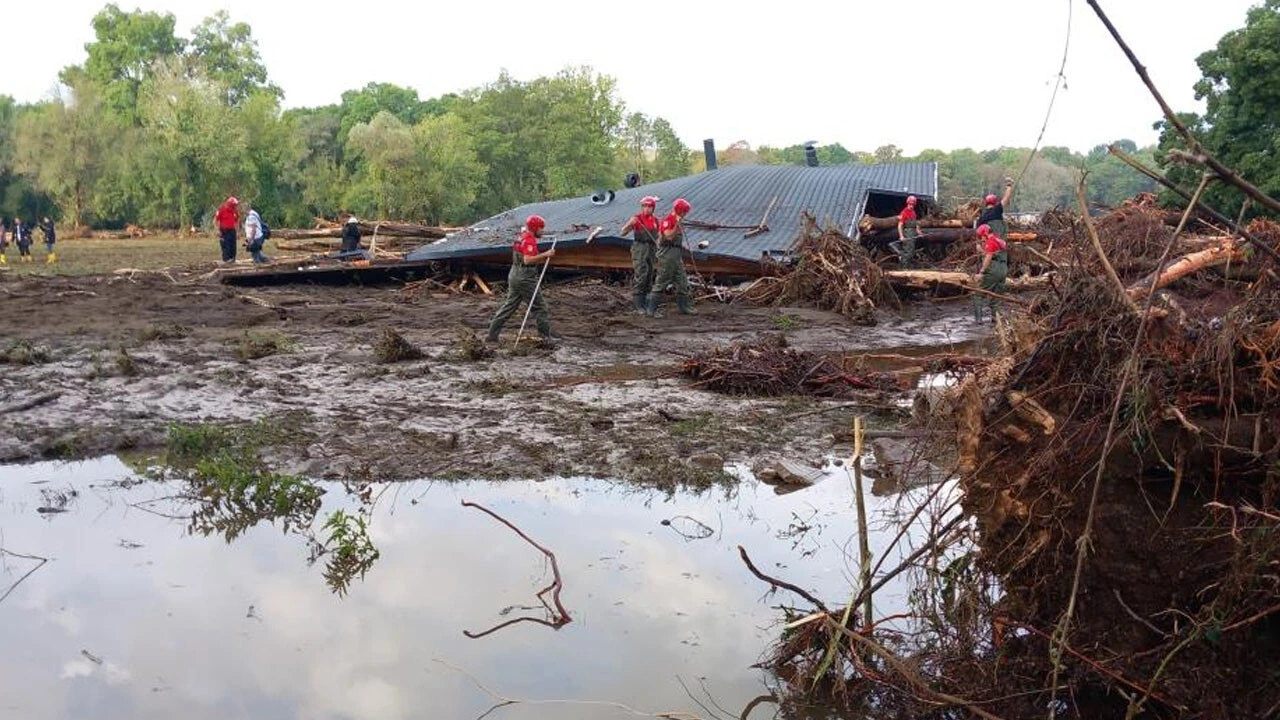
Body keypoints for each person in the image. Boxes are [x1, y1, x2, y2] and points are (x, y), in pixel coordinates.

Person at [485, 214, 556, 344]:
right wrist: (546, 254)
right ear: (534, 228)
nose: (542, 231)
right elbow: (527, 260)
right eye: (541, 228)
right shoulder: (529, 240)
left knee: (509, 306)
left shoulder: (521, 237)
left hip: (514, 274)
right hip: (525, 277)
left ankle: (492, 335)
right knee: (540, 307)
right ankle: (546, 338)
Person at [645, 197, 694, 317]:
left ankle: (684, 307)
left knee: (682, 281)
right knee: (662, 281)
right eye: (684, 212)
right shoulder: (668, 220)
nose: (685, 214)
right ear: (680, 210)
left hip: (676, 255)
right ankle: (651, 310)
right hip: (667, 255)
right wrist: (676, 223)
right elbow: (669, 236)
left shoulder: (677, 221)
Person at [619, 195, 660, 314]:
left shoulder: (656, 221)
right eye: (644, 206)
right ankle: (638, 304)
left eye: (649, 206)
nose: (647, 208)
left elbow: (658, 237)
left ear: (653, 208)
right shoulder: (636, 219)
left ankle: (646, 302)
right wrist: (630, 224)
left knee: (649, 275)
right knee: (641, 274)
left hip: (651, 248)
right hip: (640, 248)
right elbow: (623, 232)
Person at [974, 223, 1008, 323]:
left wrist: (981, 272)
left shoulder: (991, 241)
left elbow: (988, 258)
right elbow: (993, 253)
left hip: (993, 270)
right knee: (996, 295)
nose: (981, 239)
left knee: (978, 294)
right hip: (1003, 269)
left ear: (984, 234)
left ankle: (978, 319)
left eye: (981, 236)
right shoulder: (999, 240)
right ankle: (995, 318)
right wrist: (982, 250)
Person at [890, 195, 922, 267]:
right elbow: (900, 225)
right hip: (907, 233)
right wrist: (901, 236)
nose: (911, 206)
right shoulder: (904, 212)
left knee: (912, 251)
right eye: (910, 204)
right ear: (907, 203)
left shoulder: (913, 212)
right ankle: (903, 267)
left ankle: (908, 266)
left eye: (913, 205)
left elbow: (915, 224)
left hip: (913, 234)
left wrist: (919, 232)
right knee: (907, 251)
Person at [215, 196, 240, 264]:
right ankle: (226, 260)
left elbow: (237, 221)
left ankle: (233, 259)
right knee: (226, 245)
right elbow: (216, 220)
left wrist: (237, 232)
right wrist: (218, 230)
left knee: (233, 245)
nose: (234, 207)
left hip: (232, 230)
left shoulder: (235, 211)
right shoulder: (221, 210)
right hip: (224, 231)